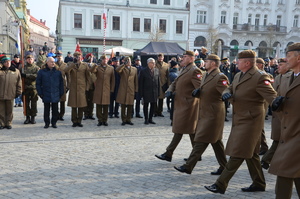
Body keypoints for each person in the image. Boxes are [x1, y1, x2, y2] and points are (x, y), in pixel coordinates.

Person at [204, 50, 277, 195]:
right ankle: (259, 183)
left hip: (251, 120)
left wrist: (278, 104)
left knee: (238, 151)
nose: (236, 62)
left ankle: (220, 184)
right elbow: (229, 88)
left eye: (239, 61)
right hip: (240, 118)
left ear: (247, 63)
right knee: (252, 154)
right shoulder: (239, 75)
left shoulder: (260, 77)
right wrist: (226, 93)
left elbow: (271, 96)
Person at [174, 54, 228, 175]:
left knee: (201, 139)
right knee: (216, 142)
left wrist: (226, 94)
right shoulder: (206, 75)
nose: (204, 63)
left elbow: (226, 89)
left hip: (213, 114)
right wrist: (198, 92)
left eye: (207, 61)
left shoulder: (220, 76)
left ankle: (188, 166)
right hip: (205, 112)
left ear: (213, 63)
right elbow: (206, 90)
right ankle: (224, 166)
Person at [155, 50, 202, 162]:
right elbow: (175, 82)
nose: (182, 58)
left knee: (180, 129)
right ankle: (196, 154)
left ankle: (168, 153)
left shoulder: (195, 71)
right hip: (181, 104)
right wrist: (169, 90)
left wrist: (192, 98)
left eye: (185, 57)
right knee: (190, 131)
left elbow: (200, 89)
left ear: (191, 58)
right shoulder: (184, 69)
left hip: (189, 106)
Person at [268, 43, 300, 199]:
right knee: (291, 173)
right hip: (287, 133)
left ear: (298, 57)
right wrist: (276, 105)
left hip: (297, 135)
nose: (286, 60)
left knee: (284, 171)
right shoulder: (287, 77)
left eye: (289, 56)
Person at [261, 58, 292, 170]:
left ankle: (266, 160)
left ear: (288, 66)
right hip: (277, 113)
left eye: (281, 65)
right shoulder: (277, 77)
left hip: (285, 114)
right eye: (278, 64)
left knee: (279, 140)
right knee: (278, 140)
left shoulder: (291, 78)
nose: (278, 66)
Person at [36, 57, 64, 128]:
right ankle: (47, 123)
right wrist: (40, 93)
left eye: (53, 62)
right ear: (47, 62)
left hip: (55, 93)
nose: (53, 63)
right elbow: (38, 83)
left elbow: (61, 83)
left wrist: (61, 92)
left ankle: (54, 122)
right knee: (46, 109)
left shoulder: (58, 72)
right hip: (46, 93)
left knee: (55, 109)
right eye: (51, 62)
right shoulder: (42, 72)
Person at [64, 52, 90, 127]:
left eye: (79, 56)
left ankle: (79, 120)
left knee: (81, 105)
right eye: (76, 56)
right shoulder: (70, 64)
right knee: (74, 105)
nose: (77, 58)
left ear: (81, 57)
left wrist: (87, 87)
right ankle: (74, 121)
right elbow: (65, 71)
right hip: (73, 87)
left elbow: (88, 77)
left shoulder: (85, 65)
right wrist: (73, 64)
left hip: (82, 87)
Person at [90, 55, 115, 126]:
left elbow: (113, 80)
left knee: (106, 106)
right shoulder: (97, 67)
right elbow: (91, 71)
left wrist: (112, 89)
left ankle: (105, 120)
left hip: (107, 89)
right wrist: (95, 65)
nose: (105, 61)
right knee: (99, 106)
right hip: (99, 89)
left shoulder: (111, 68)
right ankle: (100, 120)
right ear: (101, 60)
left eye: (106, 59)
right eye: (103, 59)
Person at [0, 55, 22, 129]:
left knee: (10, 110)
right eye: (6, 62)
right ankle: (2, 123)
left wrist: (18, 92)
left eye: (9, 61)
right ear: (2, 63)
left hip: (11, 93)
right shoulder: (0, 71)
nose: (8, 63)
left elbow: (19, 83)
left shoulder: (15, 71)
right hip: (1, 94)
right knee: (1, 110)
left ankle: (9, 122)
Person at [116, 57, 138, 125]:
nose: (129, 62)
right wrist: (123, 64)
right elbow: (117, 70)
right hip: (123, 89)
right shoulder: (123, 68)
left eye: (129, 61)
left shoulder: (134, 69)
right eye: (127, 61)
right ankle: (123, 120)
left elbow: (136, 80)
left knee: (130, 105)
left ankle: (129, 119)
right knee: (123, 105)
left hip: (131, 89)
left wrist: (136, 89)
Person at [139, 58, 160, 125]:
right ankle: (146, 119)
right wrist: (141, 93)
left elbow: (158, 82)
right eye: (152, 62)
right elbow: (141, 83)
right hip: (146, 91)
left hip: (154, 91)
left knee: (153, 106)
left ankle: (151, 118)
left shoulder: (157, 70)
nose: (154, 64)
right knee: (146, 106)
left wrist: (158, 92)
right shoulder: (143, 71)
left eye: (154, 62)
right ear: (148, 63)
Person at [20, 54, 40, 124]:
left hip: (33, 88)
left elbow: (36, 76)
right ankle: (27, 117)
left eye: (31, 59)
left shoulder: (36, 68)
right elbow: (19, 77)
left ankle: (33, 117)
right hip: (25, 88)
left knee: (34, 103)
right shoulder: (23, 67)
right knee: (26, 103)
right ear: (26, 60)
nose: (30, 60)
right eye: (28, 59)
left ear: (33, 59)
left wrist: (26, 75)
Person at [56, 52, 69, 121]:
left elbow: (68, 76)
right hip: (55, 85)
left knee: (62, 101)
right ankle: (56, 114)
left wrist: (68, 86)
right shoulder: (54, 64)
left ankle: (61, 115)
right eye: (58, 56)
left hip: (63, 85)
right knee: (55, 101)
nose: (59, 57)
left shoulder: (65, 65)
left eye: (60, 56)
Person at [83, 53, 96, 120]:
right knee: (85, 101)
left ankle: (91, 114)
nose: (91, 58)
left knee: (91, 101)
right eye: (90, 57)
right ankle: (85, 114)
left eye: (92, 57)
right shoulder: (84, 65)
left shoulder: (95, 65)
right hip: (86, 84)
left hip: (93, 85)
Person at [168, 60, 179, 124]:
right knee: (173, 107)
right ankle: (172, 119)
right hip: (174, 91)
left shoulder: (175, 73)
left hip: (174, 91)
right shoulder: (173, 74)